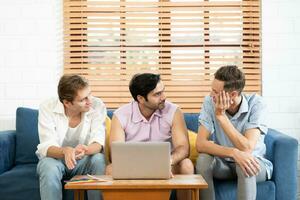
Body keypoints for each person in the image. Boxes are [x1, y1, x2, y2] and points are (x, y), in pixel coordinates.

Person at [106, 73, 194, 200]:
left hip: (167, 164)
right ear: (141, 98)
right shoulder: (120, 115)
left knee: (186, 165)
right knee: (110, 169)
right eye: (157, 94)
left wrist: (167, 162)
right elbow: (116, 154)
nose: (164, 97)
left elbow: (183, 148)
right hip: (132, 166)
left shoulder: (174, 111)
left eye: (163, 91)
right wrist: (142, 167)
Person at [195, 65, 273, 200]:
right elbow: (200, 144)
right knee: (203, 160)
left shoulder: (257, 104)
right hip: (223, 164)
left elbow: (247, 147)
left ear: (233, 94)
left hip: (254, 164)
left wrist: (221, 116)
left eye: (215, 92)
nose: (210, 95)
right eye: (211, 90)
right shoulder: (209, 102)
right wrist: (233, 153)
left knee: (244, 164)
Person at [36, 74, 107, 200]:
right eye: (83, 99)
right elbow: (46, 145)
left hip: (84, 159)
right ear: (67, 103)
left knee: (99, 159)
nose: (89, 101)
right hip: (56, 159)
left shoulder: (96, 105)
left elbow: (98, 141)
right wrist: (65, 151)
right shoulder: (47, 107)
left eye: (89, 94)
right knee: (48, 166)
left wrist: (86, 150)